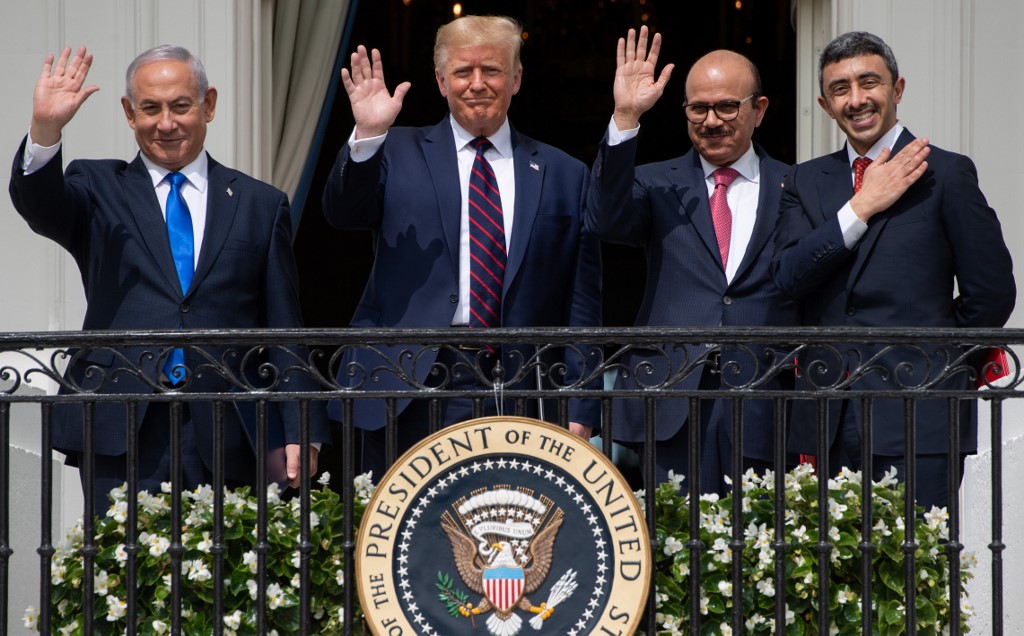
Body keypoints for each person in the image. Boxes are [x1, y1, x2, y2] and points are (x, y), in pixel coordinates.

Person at [9, 45, 329, 504]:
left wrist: (302, 428)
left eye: (180, 106)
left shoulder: (260, 203)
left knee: (225, 572)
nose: (166, 123)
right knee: (121, 570)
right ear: (129, 112)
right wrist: (46, 129)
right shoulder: (98, 188)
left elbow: (284, 328)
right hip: (122, 421)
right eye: (150, 108)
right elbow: (39, 206)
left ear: (208, 105)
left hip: (229, 428)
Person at [322, 15, 602, 478]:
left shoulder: (563, 173)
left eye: (491, 71)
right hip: (408, 386)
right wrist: (368, 134)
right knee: (403, 540)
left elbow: (582, 299)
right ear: (440, 80)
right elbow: (343, 215)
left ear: (516, 80)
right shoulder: (392, 150)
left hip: (521, 389)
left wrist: (581, 403)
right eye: (462, 72)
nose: (477, 84)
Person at [772, 31, 1015, 511]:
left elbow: (991, 294)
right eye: (840, 89)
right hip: (828, 415)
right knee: (830, 579)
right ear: (825, 104)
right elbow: (788, 277)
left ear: (897, 89)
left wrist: (936, 362)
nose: (857, 99)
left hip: (920, 411)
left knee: (914, 572)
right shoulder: (804, 180)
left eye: (869, 82)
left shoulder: (945, 173)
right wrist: (859, 208)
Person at [586, 27, 801, 489]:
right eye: (698, 108)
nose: (712, 120)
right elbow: (604, 220)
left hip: (764, 395)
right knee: (674, 544)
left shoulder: (796, 186)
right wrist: (625, 116)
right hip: (669, 394)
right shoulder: (656, 182)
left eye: (727, 106)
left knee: (761, 545)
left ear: (758, 110)